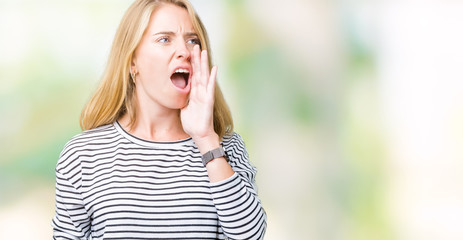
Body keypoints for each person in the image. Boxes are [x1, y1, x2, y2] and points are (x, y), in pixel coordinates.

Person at [51, 0, 267, 239]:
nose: (184, 51)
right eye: (165, 39)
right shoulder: (83, 155)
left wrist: (206, 139)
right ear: (132, 61)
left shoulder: (225, 147)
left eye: (192, 40)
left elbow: (250, 236)